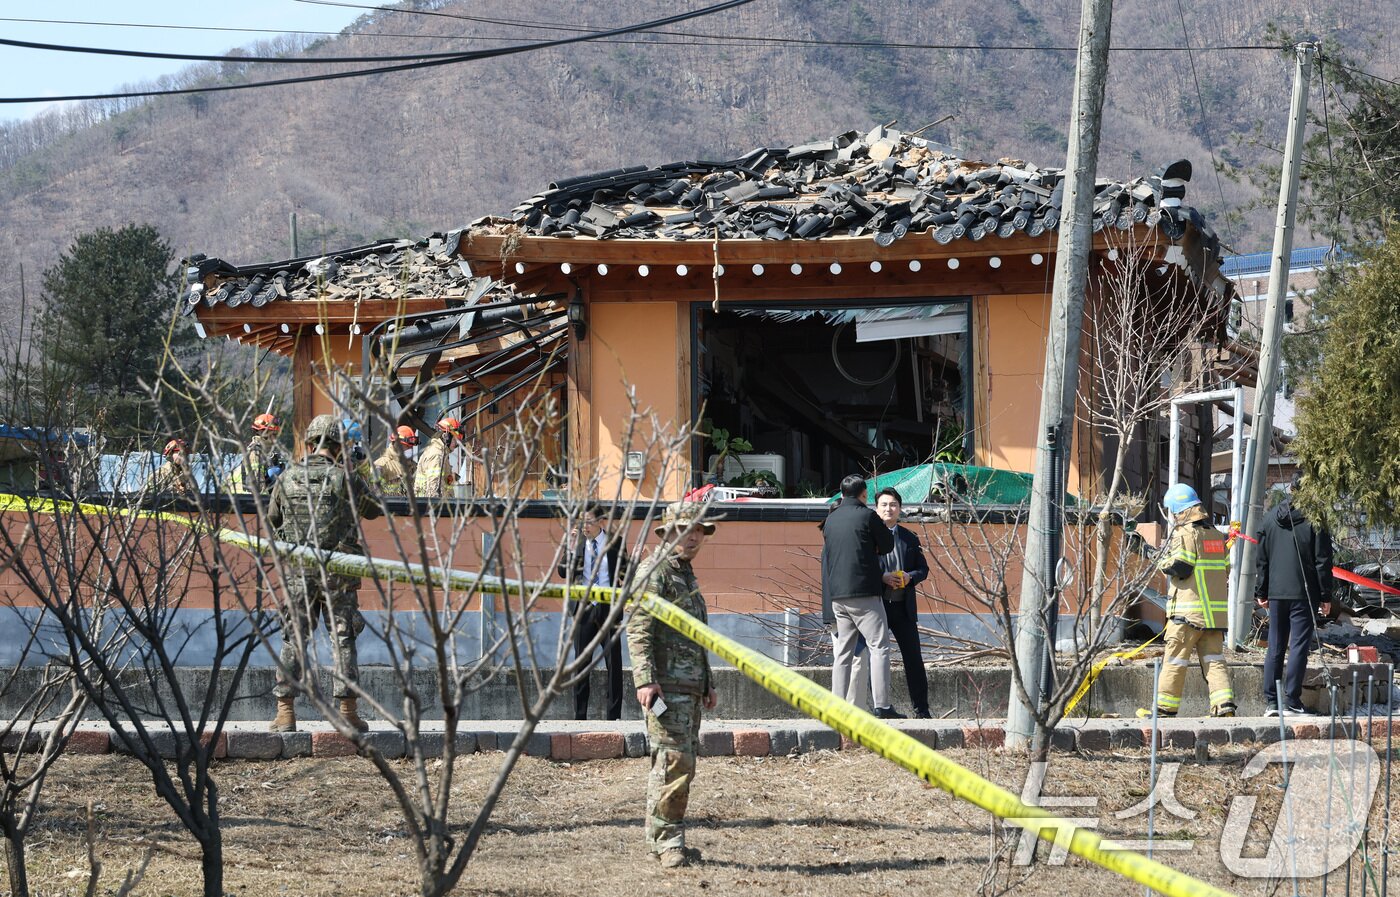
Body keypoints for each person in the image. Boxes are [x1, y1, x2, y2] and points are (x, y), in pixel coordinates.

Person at [266, 413, 383, 733]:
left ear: (309, 443)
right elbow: (375, 510)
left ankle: (285, 712)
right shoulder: (345, 478)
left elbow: (273, 519)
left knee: (294, 638)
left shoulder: (287, 477)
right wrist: (355, 468)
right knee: (342, 639)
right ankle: (347, 712)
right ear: (339, 445)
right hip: (338, 572)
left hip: (298, 571)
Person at [627, 502, 718, 870]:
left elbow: (696, 634)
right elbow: (638, 627)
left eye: (699, 529)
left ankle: (660, 836)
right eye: (686, 528)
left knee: (674, 762)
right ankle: (669, 842)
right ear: (666, 533)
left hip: (688, 686)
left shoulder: (684, 573)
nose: (694, 536)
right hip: (665, 685)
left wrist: (707, 681)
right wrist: (646, 679)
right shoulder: (655, 571)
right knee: (674, 762)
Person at [1144, 483, 1236, 719]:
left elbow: (1180, 567)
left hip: (1187, 615)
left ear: (1179, 510)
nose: (1172, 517)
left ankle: (1164, 710)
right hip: (1213, 617)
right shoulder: (1216, 535)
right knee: (1214, 660)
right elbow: (1224, 569)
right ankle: (1224, 706)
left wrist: (1152, 555)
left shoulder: (1185, 534)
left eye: (1172, 512)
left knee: (1174, 660)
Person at [821, 473, 902, 719]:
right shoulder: (867, 516)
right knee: (879, 647)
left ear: (842, 493)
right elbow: (887, 544)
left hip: (838, 596)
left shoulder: (831, 519)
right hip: (865, 593)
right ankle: (882, 705)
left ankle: (836, 705)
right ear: (863, 495)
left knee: (844, 651)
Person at [1255, 476, 1333, 716]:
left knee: (1275, 645)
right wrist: (1326, 595)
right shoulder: (1315, 521)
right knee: (1298, 645)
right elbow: (1323, 561)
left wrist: (1262, 590)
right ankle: (1291, 700)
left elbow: (1262, 560)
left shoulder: (1269, 520)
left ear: (1291, 489)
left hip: (1277, 593)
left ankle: (1271, 702)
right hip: (1304, 592)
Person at [558, 504, 630, 720]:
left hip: (609, 609)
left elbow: (626, 575)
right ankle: (580, 716)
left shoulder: (615, 543)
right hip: (584, 608)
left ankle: (613, 716)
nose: (584, 527)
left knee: (614, 664)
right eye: (581, 522)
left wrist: (633, 565)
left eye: (588, 522)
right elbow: (562, 572)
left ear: (600, 521)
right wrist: (570, 548)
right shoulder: (577, 543)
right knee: (581, 664)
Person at [871, 487, 931, 718]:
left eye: (893, 504)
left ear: (900, 509)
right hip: (877, 606)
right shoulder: (868, 535)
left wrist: (909, 577)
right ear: (876, 509)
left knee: (913, 658)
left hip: (904, 607)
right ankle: (878, 707)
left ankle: (922, 709)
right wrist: (881, 578)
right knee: (876, 656)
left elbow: (923, 569)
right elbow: (862, 569)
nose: (889, 508)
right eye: (884, 504)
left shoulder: (909, 537)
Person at [230, 413, 285, 493]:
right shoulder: (254, 453)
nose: (275, 438)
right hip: (242, 500)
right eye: (273, 434)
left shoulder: (266, 452)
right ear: (263, 433)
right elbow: (258, 489)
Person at [413, 416, 463, 498]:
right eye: (455, 440)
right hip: (430, 507)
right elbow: (433, 489)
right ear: (446, 437)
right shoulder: (437, 455)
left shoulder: (441, 453)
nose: (456, 444)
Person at [373, 425, 419, 495]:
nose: (410, 449)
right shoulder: (381, 465)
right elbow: (375, 494)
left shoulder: (413, 466)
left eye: (411, 447)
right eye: (407, 446)